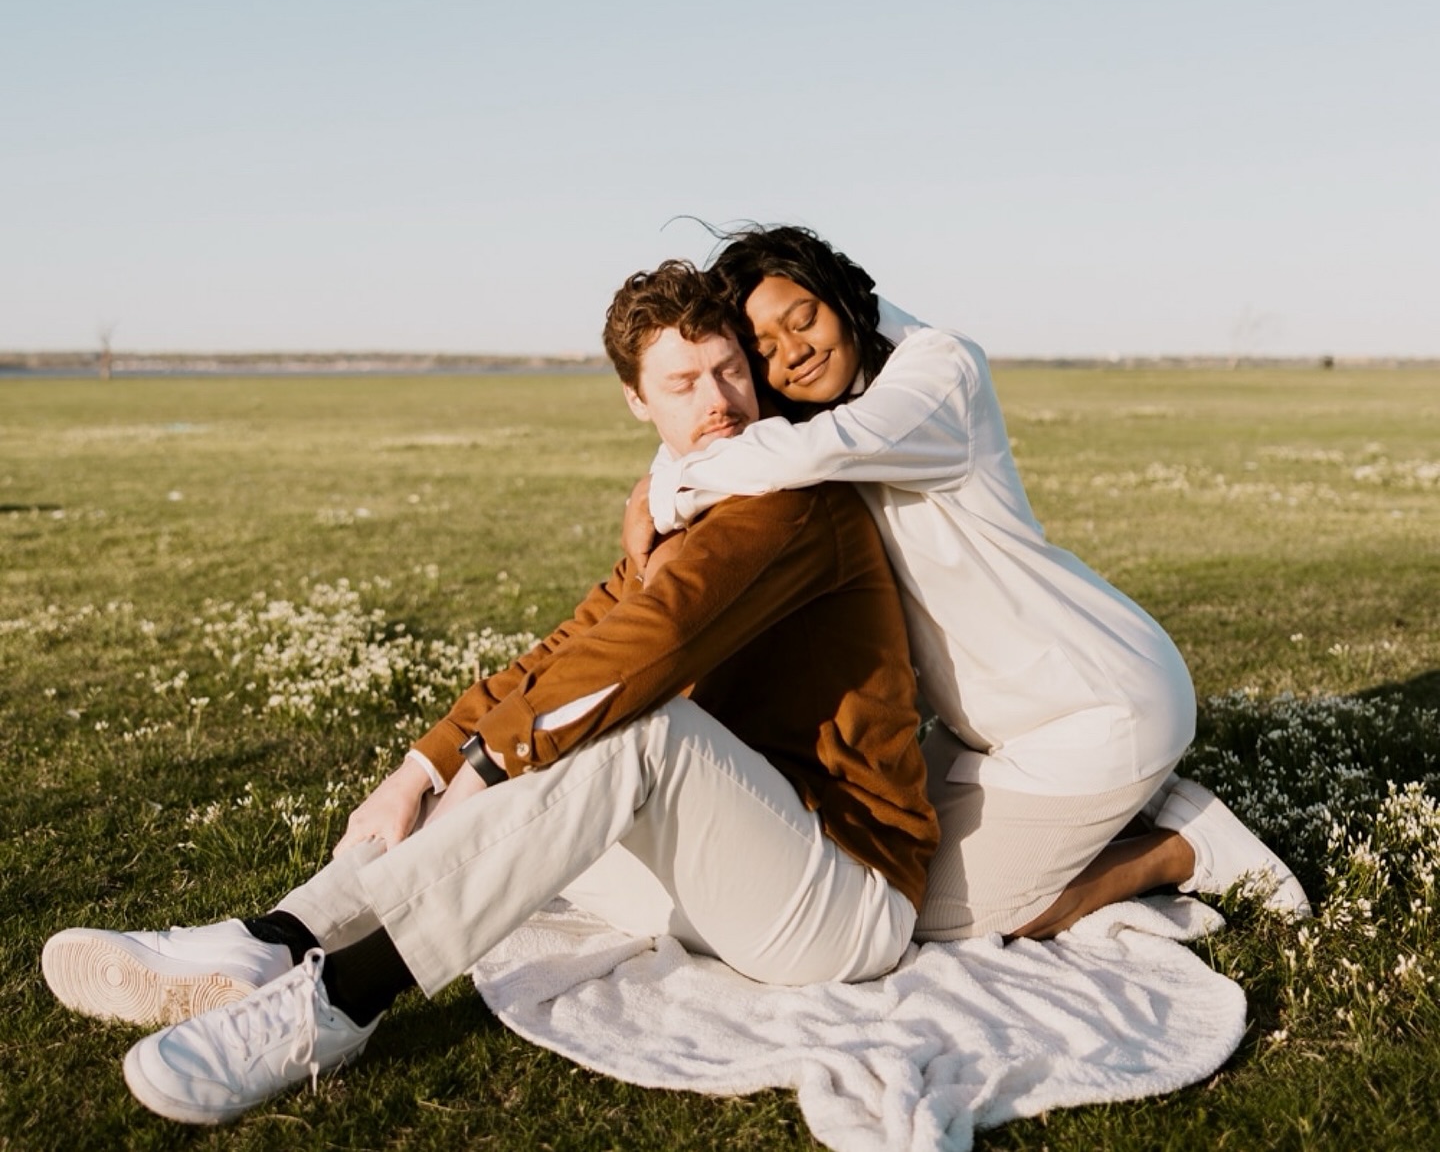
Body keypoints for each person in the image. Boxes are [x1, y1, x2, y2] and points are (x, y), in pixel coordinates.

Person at [42, 261, 938, 1127]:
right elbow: (573, 645)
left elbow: (646, 645)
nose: (718, 400)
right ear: (638, 399)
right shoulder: (691, 503)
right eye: (683, 382)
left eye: (730, 369)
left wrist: (488, 759)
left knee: (629, 731)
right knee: (545, 739)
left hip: (841, 894)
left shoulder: (791, 499)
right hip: (726, 873)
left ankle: (337, 1004)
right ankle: (274, 937)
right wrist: (424, 763)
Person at [631, 225, 1310, 941]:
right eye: (762, 347)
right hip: (984, 725)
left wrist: (666, 487)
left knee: (924, 914)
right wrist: (663, 474)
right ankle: (1135, 807)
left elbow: (818, 448)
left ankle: (1180, 846)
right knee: (878, 867)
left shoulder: (937, 373)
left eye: (804, 318)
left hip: (1100, 703)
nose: (792, 352)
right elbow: (730, 427)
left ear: (840, 293)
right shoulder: (811, 401)